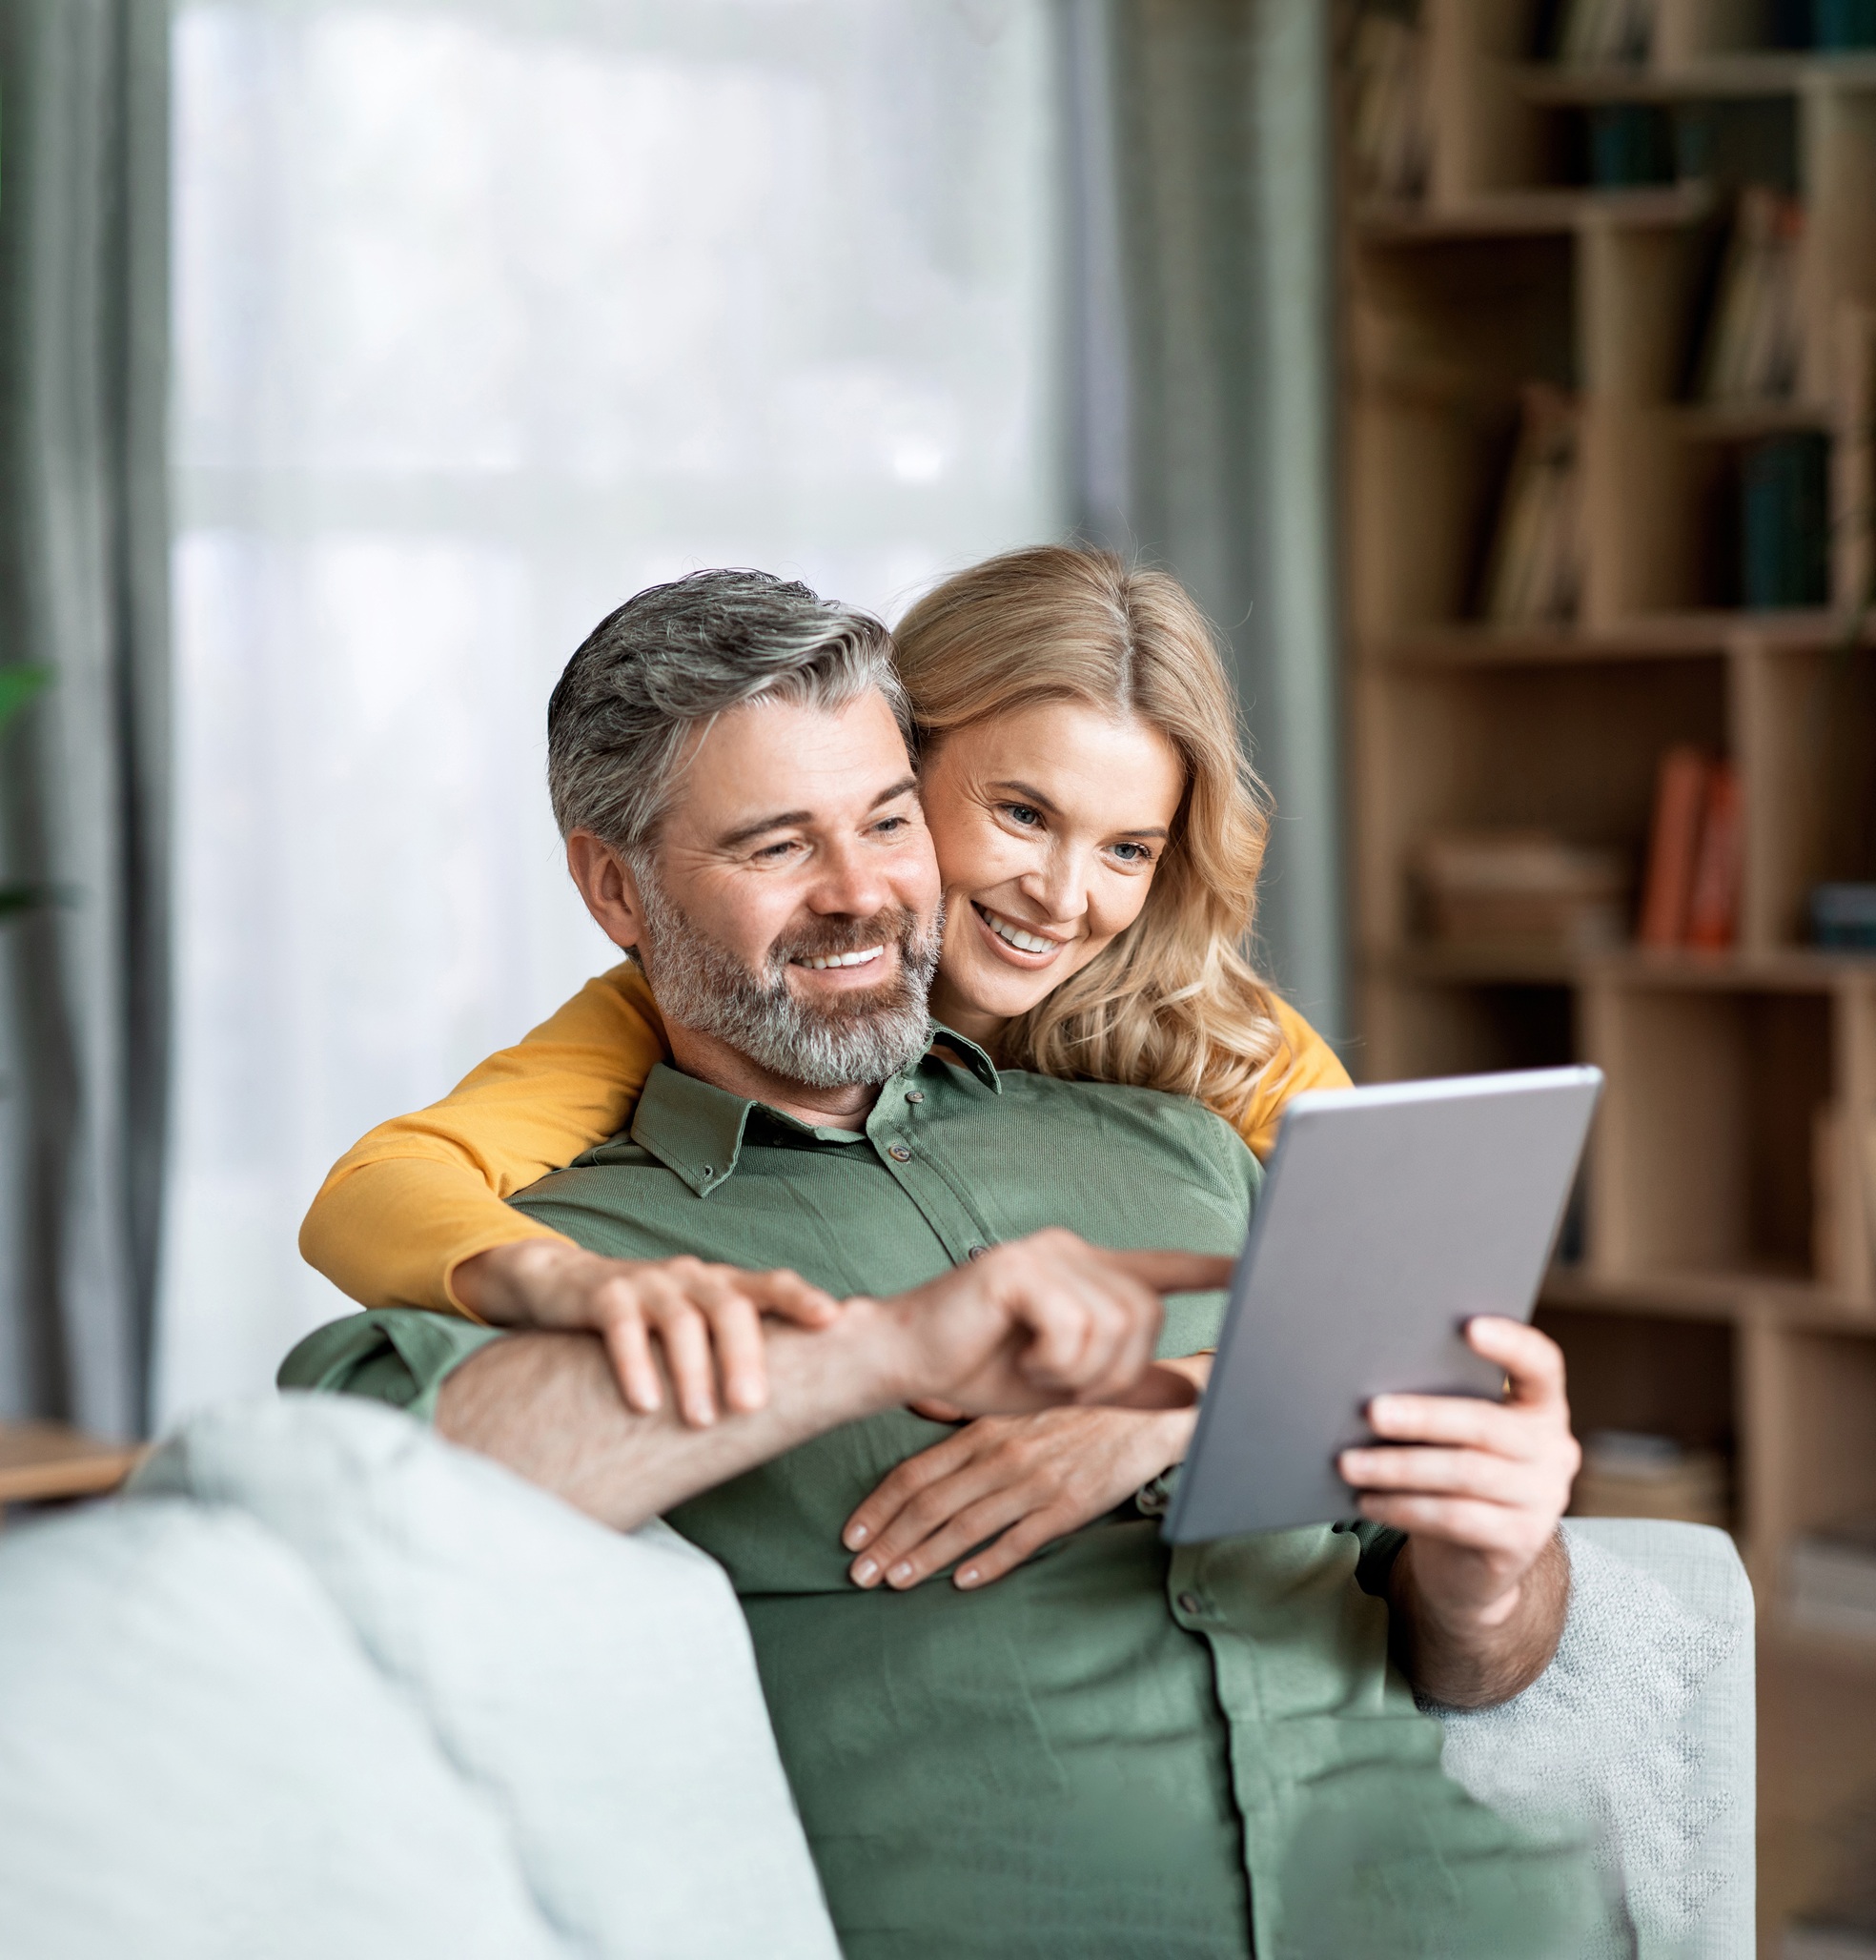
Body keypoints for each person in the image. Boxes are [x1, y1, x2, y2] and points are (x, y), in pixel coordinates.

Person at [282, 570, 1597, 1957]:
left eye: (884, 823)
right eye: (777, 845)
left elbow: (1461, 1591)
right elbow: (363, 1469)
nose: (862, 893)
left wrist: (1487, 1559)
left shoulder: (1200, 1112)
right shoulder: (603, 1218)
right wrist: (861, 1350)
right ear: (618, 888)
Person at [299, 548, 1341, 1593]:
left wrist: (1180, 1404)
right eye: (1021, 815)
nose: (1061, 898)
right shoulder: (661, 1020)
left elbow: (1414, 1313)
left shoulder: (1212, 1038)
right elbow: (379, 1188)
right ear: (903, 756)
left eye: (1127, 850)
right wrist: (570, 1283)